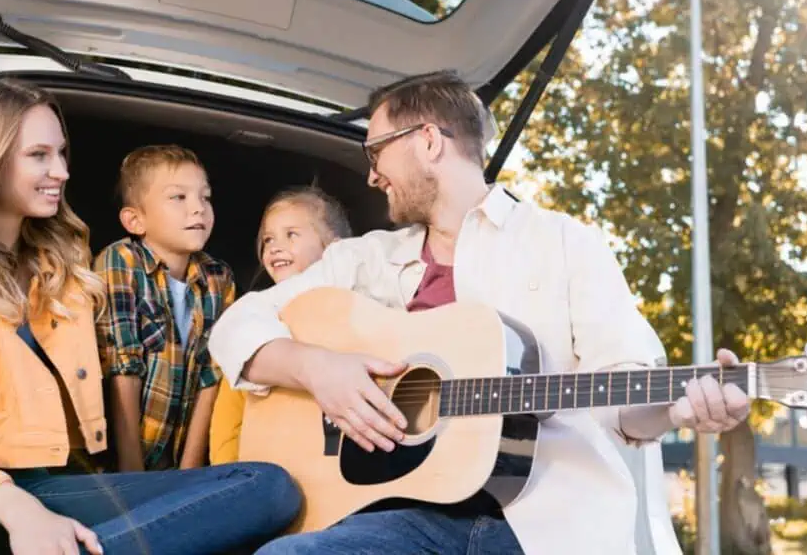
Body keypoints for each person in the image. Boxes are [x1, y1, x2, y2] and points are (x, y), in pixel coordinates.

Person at [207, 71, 750, 555]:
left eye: (376, 152)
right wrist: (317, 369)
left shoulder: (563, 242)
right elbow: (235, 325)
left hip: (544, 528)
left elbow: (625, 395)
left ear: (426, 140)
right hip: (398, 515)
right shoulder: (364, 258)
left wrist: (678, 411)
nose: (371, 175)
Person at [0, 78, 300, 555]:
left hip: (64, 482)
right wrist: (16, 510)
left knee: (268, 487)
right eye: (38, 155)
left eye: (61, 153)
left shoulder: (66, 260)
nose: (60, 171)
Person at [93, 145, 231, 472]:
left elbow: (212, 376)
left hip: (178, 461)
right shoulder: (122, 261)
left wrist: (189, 472)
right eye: (178, 198)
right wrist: (133, 477)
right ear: (135, 220)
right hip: (117, 467)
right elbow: (122, 367)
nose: (198, 208)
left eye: (205, 197)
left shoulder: (217, 277)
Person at [209, 185, 352, 464]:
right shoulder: (253, 332)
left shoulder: (355, 312)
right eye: (268, 239)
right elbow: (227, 429)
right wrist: (227, 471)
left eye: (291, 235)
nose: (275, 247)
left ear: (335, 248)